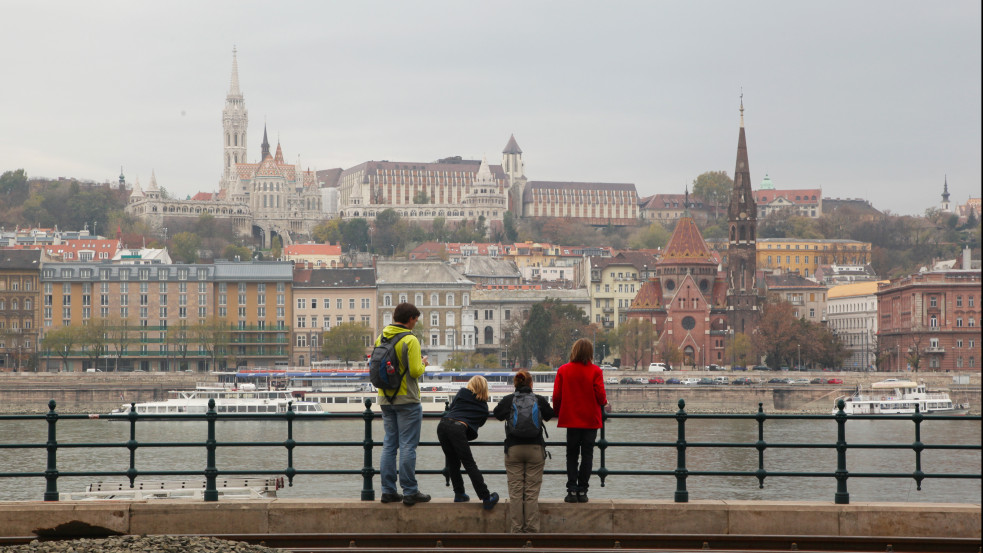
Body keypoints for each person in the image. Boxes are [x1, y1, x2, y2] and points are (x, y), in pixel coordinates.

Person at [377, 302, 431, 506]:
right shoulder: (410, 339)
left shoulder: (380, 337)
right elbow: (416, 371)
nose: (415, 324)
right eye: (415, 320)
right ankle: (410, 491)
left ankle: (388, 491)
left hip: (385, 398)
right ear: (409, 319)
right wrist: (424, 364)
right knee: (408, 445)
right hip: (407, 399)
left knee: (390, 445)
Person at [493, 370, 555, 533]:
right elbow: (550, 415)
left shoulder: (509, 400)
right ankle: (532, 530)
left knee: (515, 492)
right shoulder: (539, 399)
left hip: (514, 449)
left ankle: (517, 530)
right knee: (531, 491)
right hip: (535, 449)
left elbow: (497, 414)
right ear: (531, 384)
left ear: (515, 383)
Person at [552, 338, 610, 503]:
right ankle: (583, 491)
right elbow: (600, 396)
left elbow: (556, 395)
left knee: (571, 455)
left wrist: (557, 412)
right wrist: (603, 402)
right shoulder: (596, 371)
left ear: (574, 351)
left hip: (571, 419)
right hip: (590, 419)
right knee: (587, 455)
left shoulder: (564, 370)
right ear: (590, 353)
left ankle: (571, 490)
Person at [437, 376, 499, 509]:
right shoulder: (484, 408)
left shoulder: (462, 393)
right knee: (469, 464)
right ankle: (486, 497)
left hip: (442, 425)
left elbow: (452, 408)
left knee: (453, 463)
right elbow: (478, 424)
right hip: (458, 429)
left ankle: (459, 494)